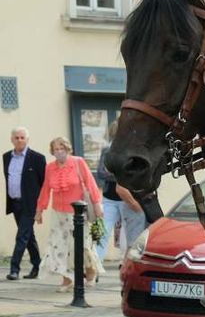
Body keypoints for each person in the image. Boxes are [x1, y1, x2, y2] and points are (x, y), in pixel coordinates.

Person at [34, 136, 104, 292]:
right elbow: (45, 189)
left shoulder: (78, 162)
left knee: (82, 246)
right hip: (58, 214)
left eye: (61, 149)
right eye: (56, 149)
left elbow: (91, 183)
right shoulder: (50, 167)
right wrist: (39, 210)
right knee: (60, 247)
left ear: (67, 149)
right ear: (52, 151)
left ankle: (90, 272)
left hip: (77, 213)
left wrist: (97, 204)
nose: (59, 152)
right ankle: (67, 279)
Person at [95, 120, 147, 263]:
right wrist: (120, 175)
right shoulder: (107, 150)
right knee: (102, 232)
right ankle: (95, 264)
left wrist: (114, 173)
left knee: (130, 234)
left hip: (127, 199)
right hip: (109, 198)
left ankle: (127, 263)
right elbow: (100, 173)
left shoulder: (132, 151)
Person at [4, 127, 44, 280]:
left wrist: (40, 207)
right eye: (16, 137)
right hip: (15, 203)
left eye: (22, 137)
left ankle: (14, 269)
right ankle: (37, 265)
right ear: (12, 139)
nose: (19, 140)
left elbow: (43, 183)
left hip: (30, 204)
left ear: (27, 139)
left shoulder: (37, 158)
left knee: (21, 236)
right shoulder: (6, 157)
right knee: (28, 236)